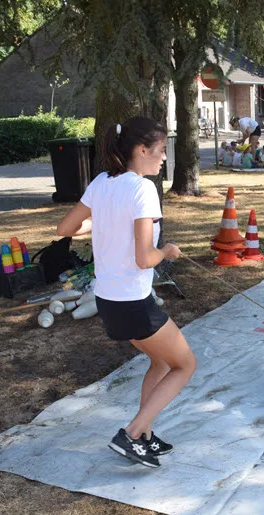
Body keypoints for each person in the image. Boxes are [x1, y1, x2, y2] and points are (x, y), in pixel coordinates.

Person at [56, 117, 196, 468]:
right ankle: (132, 434)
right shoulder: (143, 189)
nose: (164, 157)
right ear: (142, 150)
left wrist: (100, 222)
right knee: (185, 364)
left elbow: (65, 228)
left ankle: (144, 435)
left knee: (160, 361)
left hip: (108, 301)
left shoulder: (102, 182)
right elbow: (144, 258)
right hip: (134, 302)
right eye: (161, 150)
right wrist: (168, 251)